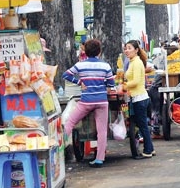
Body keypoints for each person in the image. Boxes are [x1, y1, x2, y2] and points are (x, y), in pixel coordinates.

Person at [62, 39, 115, 168]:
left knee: (70, 122)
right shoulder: (105, 66)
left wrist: (80, 82)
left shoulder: (80, 65)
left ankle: (58, 150)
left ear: (85, 51)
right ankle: (99, 159)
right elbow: (111, 84)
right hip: (102, 101)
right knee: (101, 131)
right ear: (99, 51)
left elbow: (66, 75)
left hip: (86, 101)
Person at [123, 40, 155, 158]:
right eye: (126, 48)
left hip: (139, 98)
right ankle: (150, 148)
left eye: (129, 48)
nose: (127, 50)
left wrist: (124, 86)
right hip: (139, 97)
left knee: (142, 126)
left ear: (136, 50)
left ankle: (147, 151)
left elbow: (136, 81)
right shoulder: (133, 62)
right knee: (143, 126)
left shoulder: (136, 63)